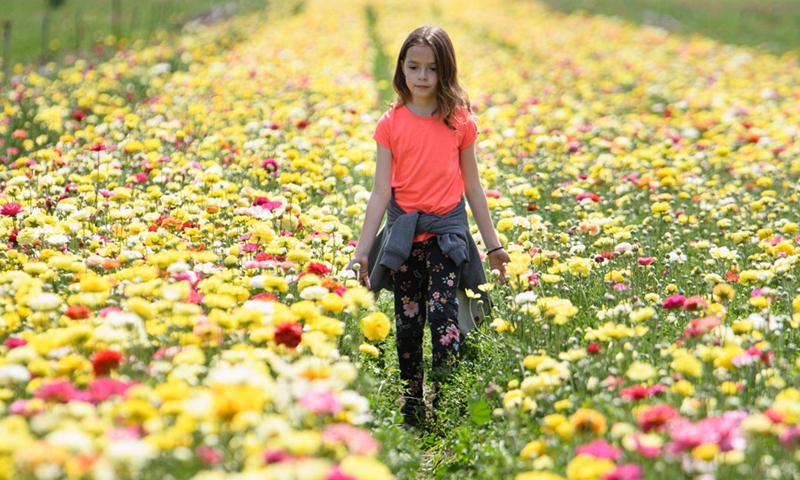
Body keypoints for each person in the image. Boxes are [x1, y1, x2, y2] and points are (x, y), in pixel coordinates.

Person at [347, 25, 510, 428]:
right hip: (404, 237)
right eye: (414, 66)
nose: (422, 76)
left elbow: (473, 187)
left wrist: (493, 246)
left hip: (447, 237)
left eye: (431, 69)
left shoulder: (459, 122)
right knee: (407, 323)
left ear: (445, 72)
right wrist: (362, 251)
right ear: (401, 67)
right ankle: (413, 405)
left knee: (445, 318)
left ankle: (448, 399)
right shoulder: (390, 123)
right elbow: (380, 193)